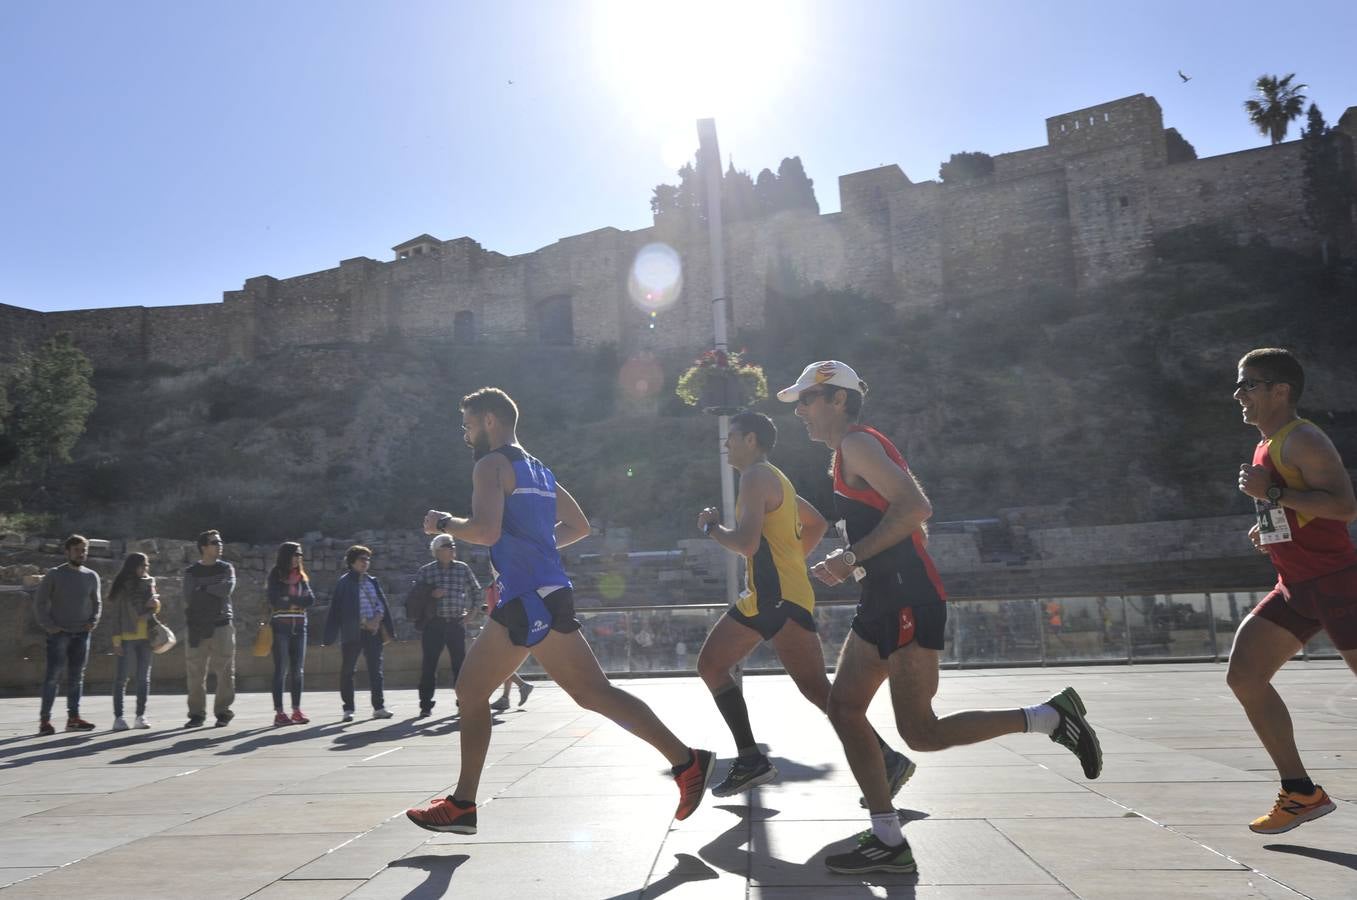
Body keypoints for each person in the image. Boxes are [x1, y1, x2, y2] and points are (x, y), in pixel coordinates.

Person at [779, 360, 1102, 875]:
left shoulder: (858, 444)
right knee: (843, 708)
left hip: (905, 598)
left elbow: (916, 508)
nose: (800, 412)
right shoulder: (849, 452)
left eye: (808, 401)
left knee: (921, 731)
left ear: (838, 400)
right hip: (885, 597)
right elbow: (909, 524)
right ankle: (886, 836)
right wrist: (868, 563)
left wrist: (852, 558)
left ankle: (1049, 717)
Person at [405, 387, 714, 836]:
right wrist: (535, 549)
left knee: (488, 693)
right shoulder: (541, 470)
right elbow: (580, 526)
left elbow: (487, 531)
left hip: (527, 597)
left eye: (468, 422)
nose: (466, 431)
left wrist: (444, 523)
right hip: (544, 592)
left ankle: (687, 760)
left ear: (490, 420)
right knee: (575, 693)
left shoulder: (490, 465)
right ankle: (464, 803)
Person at [694, 411, 917, 799]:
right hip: (783, 593)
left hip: (772, 596)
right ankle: (884, 759)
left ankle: (752, 760)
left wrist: (712, 529)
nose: (725, 444)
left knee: (714, 666)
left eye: (731, 437)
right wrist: (792, 562)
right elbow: (815, 523)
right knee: (814, 689)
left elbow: (746, 544)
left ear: (751, 440)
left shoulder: (754, 477)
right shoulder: (776, 478)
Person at [1225, 348, 1357, 834]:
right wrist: (1273, 524)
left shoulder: (1302, 439)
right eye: (1239, 385)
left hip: (1338, 583)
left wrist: (1274, 495)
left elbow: (1344, 507)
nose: (1239, 394)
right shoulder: (1268, 444)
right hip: (1297, 585)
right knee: (1244, 675)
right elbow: (1306, 510)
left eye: (1249, 384)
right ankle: (1301, 793)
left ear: (1281, 391)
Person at [34, 534, 101, 734]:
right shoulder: (54, 574)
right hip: (59, 633)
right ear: (67, 552)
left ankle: (74, 718)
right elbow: (39, 602)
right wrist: (50, 626)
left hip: (82, 633)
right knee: (53, 677)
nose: (81, 554)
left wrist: (93, 622)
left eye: (84, 550)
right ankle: (45, 721)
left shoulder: (91, 576)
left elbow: (97, 603)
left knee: (76, 678)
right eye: (77, 550)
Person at [324, 545, 395, 722]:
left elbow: (381, 604)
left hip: (374, 632)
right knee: (348, 670)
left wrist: (377, 620)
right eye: (362, 559)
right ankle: (348, 709)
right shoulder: (344, 583)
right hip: (353, 633)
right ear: (352, 562)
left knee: (376, 671)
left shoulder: (372, 581)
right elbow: (340, 610)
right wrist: (365, 622)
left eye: (368, 559)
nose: (366, 562)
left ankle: (379, 707)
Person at [414, 534, 480, 719]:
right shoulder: (426, 571)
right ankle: (425, 706)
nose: (452, 549)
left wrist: (473, 612)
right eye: (447, 546)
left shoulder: (462, 568)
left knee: (460, 666)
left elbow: (476, 590)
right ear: (437, 550)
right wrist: (431, 594)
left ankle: (463, 702)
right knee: (429, 665)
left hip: (456, 623)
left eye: (453, 546)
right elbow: (414, 598)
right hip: (433, 624)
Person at [183, 529, 237, 728]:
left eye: (220, 542)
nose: (219, 545)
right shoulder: (191, 572)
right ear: (204, 547)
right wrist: (210, 592)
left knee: (225, 671)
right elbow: (190, 597)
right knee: (195, 672)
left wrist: (203, 589)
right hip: (197, 626)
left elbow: (226, 590)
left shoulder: (226, 568)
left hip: (222, 624)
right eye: (214, 542)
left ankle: (223, 712)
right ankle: (196, 714)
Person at [267, 542, 315, 726]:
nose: (298, 558)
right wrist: (295, 602)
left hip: (300, 627)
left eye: (300, 555)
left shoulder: (302, 577)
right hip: (281, 627)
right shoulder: (276, 575)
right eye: (295, 554)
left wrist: (290, 600)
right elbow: (274, 600)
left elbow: (310, 599)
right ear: (286, 556)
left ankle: (296, 710)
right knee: (281, 670)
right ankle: (279, 713)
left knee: (298, 671)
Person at [109, 552, 159, 730]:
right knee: (121, 679)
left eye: (146, 566)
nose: (145, 569)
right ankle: (119, 718)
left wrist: (154, 605)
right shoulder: (122, 587)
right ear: (133, 566)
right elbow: (116, 616)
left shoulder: (149, 583)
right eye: (142, 565)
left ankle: (140, 715)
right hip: (126, 637)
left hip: (146, 636)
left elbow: (154, 608)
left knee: (143, 679)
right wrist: (116, 641)